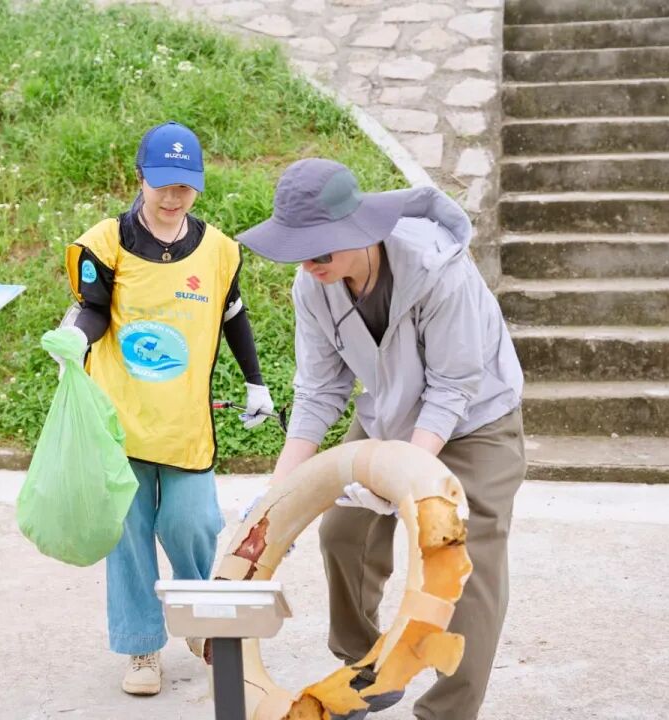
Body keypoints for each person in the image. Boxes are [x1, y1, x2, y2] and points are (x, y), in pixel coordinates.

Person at [237, 158, 526, 720]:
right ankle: (367, 669)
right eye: (299, 250)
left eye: (321, 249)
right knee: (344, 531)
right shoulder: (313, 286)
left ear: (359, 232)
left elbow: (451, 388)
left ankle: (447, 711)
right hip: (390, 415)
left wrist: (410, 484)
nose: (310, 263)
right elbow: (319, 391)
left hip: (473, 423)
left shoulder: (440, 271)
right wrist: (276, 500)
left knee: (460, 559)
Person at [45, 121, 274, 696]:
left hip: (184, 424)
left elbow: (233, 316)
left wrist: (255, 382)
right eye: (163, 184)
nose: (173, 198)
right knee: (129, 532)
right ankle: (143, 649)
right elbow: (92, 308)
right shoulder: (106, 242)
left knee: (192, 522)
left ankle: (197, 624)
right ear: (141, 177)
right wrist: (75, 335)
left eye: (185, 187)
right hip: (117, 421)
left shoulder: (220, 250)